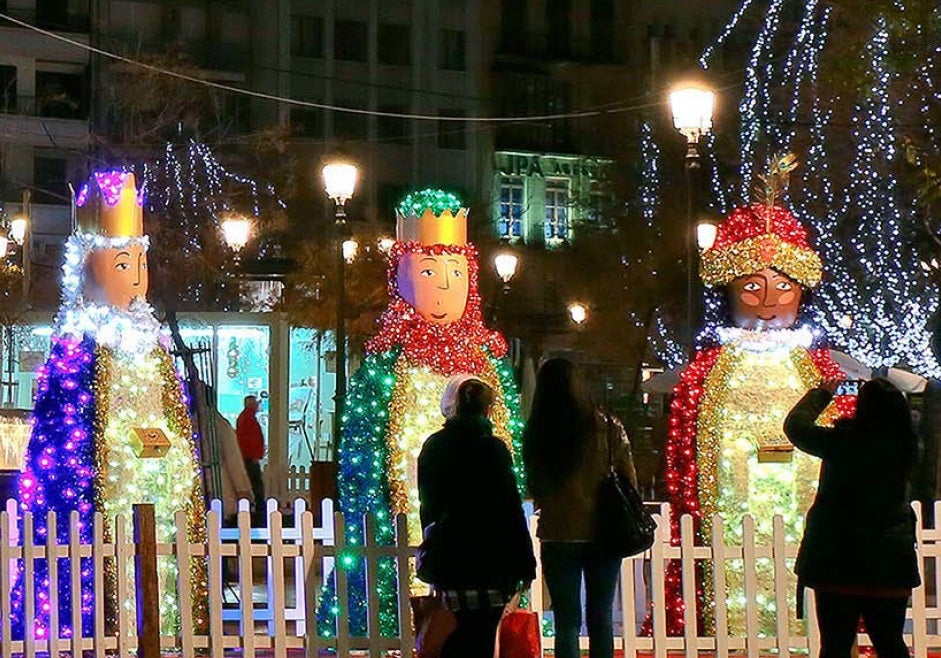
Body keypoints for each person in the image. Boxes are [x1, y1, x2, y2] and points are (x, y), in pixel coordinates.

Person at [784, 379, 921, 658]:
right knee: (890, 642)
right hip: (889, 564)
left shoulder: (841, 442)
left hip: (837, 562)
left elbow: (796, 427)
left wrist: (822, 393)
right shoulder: (907, 447)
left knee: (835, 645)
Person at [522, 357, 637, 658]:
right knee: (600, 619)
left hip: (558, 533)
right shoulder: (608, 426)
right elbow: (629, 479)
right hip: (603, 531)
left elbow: (534, 485)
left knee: (567, 621)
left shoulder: (538, 433)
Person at [418, 379, 536, 658]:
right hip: (491, 558)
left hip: (451, 555)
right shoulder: (492, 449)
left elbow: (429, 506)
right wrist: (524, 561)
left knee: (460, 628)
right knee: (481, 633)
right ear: (488, 409)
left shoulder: (435, 446)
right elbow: (510, 508)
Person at [236, 395, 266, 519]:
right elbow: (250, 440)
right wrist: (254, 455)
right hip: (249, 457)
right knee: (255, 482)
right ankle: (258, 507)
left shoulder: (246, 418)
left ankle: (255, 505)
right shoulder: (248, 419)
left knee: (254, 482)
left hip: (248, 456)